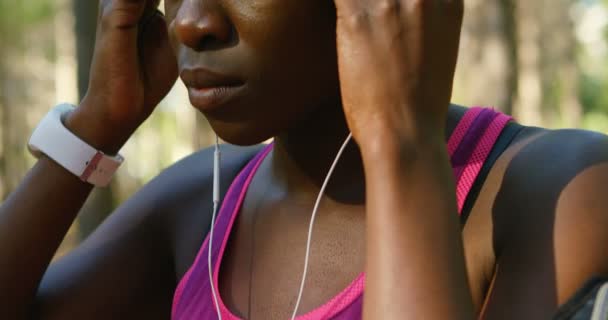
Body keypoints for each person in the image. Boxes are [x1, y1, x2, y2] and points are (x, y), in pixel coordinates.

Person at [1, 0, 607, 319]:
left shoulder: (561, 194)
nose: (191, 22)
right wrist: (94, 126)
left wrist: (401, 145)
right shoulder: (199, 210)